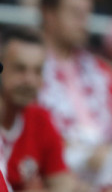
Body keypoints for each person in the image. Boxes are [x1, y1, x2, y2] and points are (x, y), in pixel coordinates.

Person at [37, 0, 112, 185]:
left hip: (105, 169)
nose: (84, 22)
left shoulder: (102, 69)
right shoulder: (26, 67)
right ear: (49, 14)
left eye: (87, 14)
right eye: (75, 14)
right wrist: (85, 155)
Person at [0, 27, 78, 191]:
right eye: (20, 69)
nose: (30, 80)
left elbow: (64, 183)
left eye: (37, 71)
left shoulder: (40, 119)